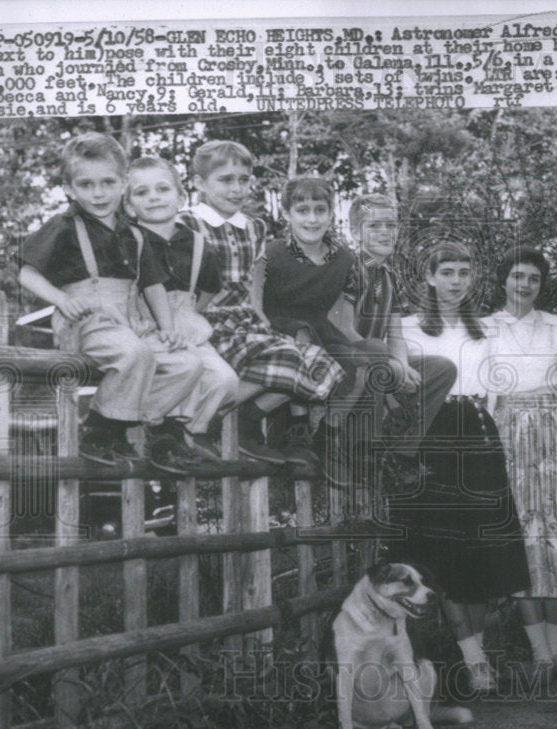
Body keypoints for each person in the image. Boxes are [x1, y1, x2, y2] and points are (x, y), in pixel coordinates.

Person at [391, 239, 531, 692]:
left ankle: (481, 653)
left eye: (463, 273)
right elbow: (398, 390)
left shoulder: (486, 329)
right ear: (429, 277)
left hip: (479, 433)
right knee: (444, 553)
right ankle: (474, 663)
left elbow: (497, 392)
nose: (455, 281)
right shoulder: (408, 328)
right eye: (446, 272)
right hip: (433, 436)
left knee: (480, 552)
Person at [19, 132, 203, 472]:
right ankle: (100, 431)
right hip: (88, 320)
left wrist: (168, 329)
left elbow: (152, 286)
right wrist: (60, 299)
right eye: (86, 185)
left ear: (123, 184)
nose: (98, 193)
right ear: (70, 189)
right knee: (134, 353)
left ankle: (144, 423)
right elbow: (27, 274)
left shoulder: (134, 234)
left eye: (108, 182)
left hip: (132, 321)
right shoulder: (64, 226)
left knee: (187, 362)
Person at [181, 141, 344, 465]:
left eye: (244, 179)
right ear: (199, 184)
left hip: (246, 323)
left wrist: (259, 317)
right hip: (206, 322)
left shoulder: (254, 226)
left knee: (321, 364)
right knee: (287, 357)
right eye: (226, 180)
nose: (237, 188)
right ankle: (204, 421)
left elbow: (253, 277)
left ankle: (245, 419)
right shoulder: (188, 224)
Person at [257, 177, 393, 479]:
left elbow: (340, 317)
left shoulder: (342, 258)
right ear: (287, 214)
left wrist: (363, 348)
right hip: (278, 327)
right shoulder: (272, 253)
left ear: (331, 213)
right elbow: (256, 306)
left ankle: (327, 436)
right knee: (304, 343)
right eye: (302, 210)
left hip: (319, 326)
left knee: (358, 363)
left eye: (320, 210)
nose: (312, 218)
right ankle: (298, 429)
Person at [488, 246, 557, 673]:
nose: (523, 285)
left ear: (542, 285)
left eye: (532, 278)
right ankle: (540, 653)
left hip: (553, 436)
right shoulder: (486, 327)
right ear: (503, 280)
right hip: (508, 434)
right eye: (516, 276)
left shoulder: (556, 325)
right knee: (522, 542)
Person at [124, 156, 240, 460]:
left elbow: (210, 288)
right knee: (184, 367)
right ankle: (156, 427)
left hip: (185, 325)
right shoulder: (125, 241)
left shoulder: (199, 244)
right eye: (141, 192)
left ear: (181, 196)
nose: (153, 197)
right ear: (128, 205)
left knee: (225, 379)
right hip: (142, 326)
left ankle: (187, 430)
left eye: (162, 189)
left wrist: (187, 313)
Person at [342, 194, 457, 481]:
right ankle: (363, 449)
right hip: (346, 359)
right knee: (377, 352)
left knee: (442, 368)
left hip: (378, 360)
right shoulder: (347, 268)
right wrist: (388, 366)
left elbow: (395, 333)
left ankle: (400, 453)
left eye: (391, 225)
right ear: (356, 232)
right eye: (375, 225)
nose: (385, 232)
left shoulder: (388, 276)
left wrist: (402, 367)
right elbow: (343, 330)